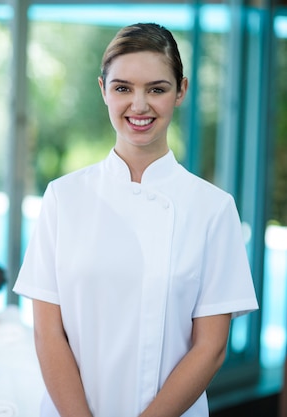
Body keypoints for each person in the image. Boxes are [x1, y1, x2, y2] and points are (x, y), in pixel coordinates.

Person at [13, 23, 258, 417]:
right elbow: (47, 333)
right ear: (103, 90)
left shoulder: (213, 208)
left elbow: (210, 348)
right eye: (123, 88)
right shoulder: (64, 197)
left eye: (157, 89)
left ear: (181, 91)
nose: (139, 105)